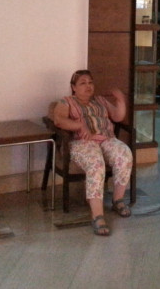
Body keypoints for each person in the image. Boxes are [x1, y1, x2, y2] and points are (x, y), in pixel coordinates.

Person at [53, 69, 133, 236]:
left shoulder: (100, 100)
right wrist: (79, 125)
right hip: (82, 142)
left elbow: (117, 117)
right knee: (96, 164)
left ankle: (118, 200)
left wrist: (120, 100)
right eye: (83, 83)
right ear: (73, 87)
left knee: (125, 154)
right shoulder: (66, 101)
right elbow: (58, 120)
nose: (88, 86)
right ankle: (97, 216)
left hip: (106, 139)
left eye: (90, 82)